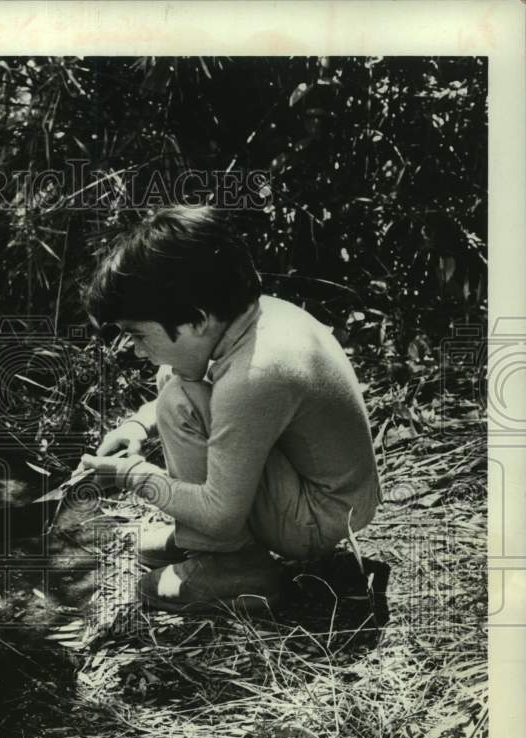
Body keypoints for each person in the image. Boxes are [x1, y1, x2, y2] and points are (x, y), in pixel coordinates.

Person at [79, 205, 383, 614]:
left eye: (139, 334)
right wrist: (137, 426)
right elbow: (199, 385)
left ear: (197, 321)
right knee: (174, 379)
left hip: (318, 518)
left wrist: (130, 475)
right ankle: (203, 542)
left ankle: (233, 563)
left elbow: (220, 513)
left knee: (178, 400)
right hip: (335, 495)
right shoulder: (250, 319)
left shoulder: (254, 376)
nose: (135, 349)